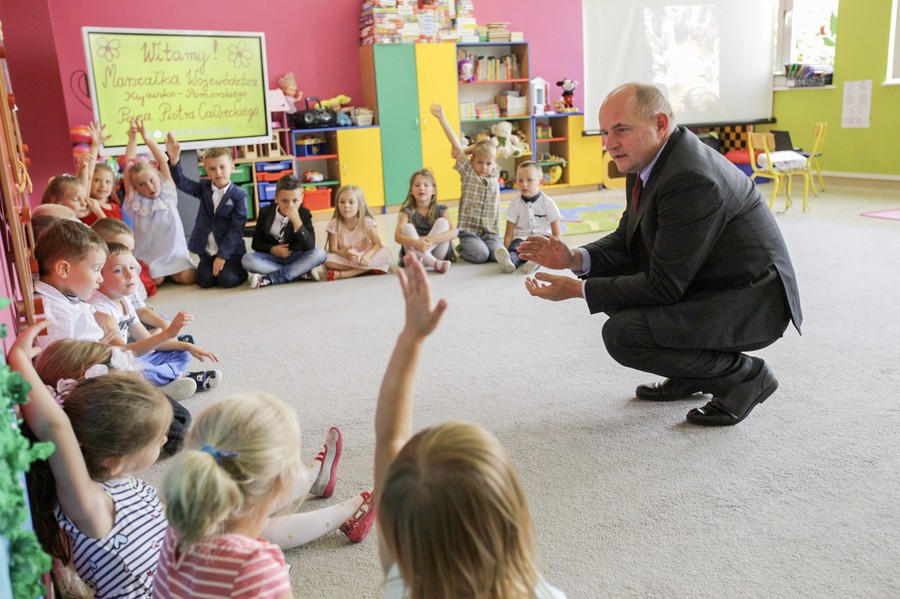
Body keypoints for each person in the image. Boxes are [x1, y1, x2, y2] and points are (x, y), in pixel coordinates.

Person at [519, 82, 802, 427]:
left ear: (661, 124)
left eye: (621, 130)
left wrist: (577, 290)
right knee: (605, 277)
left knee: (623, 335)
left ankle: (743, 376)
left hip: (750, 302)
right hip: (708, 280)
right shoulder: (646, 160)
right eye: (606, 132)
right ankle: (693, 372)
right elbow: (629, 239)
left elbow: (663, 287)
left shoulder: (691, 178)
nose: (609, 144)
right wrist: (574, 259)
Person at [375, 254, 566, 599]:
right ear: (512, 519)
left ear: (396, 532)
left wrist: (411, 337)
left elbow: (390, 438)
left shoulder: (402, 584)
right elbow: (391, 440)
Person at [153, 395, 375, 598]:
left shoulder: (175, 529)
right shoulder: (255, 567)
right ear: (281, 485)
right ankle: (323, 487)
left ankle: (315, 478)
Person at [11, 322, 172, 598]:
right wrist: (18, 360)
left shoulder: (119, 481)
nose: (165, 441)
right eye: (157, 439)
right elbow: (56, 427)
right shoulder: (93, 507)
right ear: (114, 460)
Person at [33, 219, 197, 401]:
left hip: (114, 364)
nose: (100, 279)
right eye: (97, 270)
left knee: (180, 356)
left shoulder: (68, 296)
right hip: (101, 387)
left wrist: (98, 315)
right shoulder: (54, 317)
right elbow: (65, 375)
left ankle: (159, 386)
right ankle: (160, 387)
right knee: (175, 418)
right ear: (64, 269)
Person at [89, 242, 222, 394]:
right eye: (118, 270)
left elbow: (146, 340)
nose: (130, 274)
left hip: (133, 358)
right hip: (114, 367)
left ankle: (161, 384)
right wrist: (167, 333)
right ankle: (178, 377)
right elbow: (125, 352)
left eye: (132, 267)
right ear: (99, 276)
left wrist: (187, 347)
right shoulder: (100, 308)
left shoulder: (124, 300)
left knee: (182, 354)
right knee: (138, 373)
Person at [34, 336, 192, 459]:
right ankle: (154, 393)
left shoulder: (91, 387)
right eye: (122, 375)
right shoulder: (96, 415)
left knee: (183, 417)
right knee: (178, 436)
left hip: (123, 399)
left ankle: (157, 391)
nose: (133, 373)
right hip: (125, 409)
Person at [122, 117, 197, 285]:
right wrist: (133, 139)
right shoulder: (136, 201)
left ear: (158, 177)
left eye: (151, 180)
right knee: (155, 280)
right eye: (142, 184)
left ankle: (177, 271)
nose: (150, 187)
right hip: (151, 255)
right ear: (136, 188)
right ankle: (161, 273)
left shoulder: (167, 192)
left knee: (187, 278)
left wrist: (147, 138)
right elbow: (128, 165)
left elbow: (163, 160)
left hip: (175, 253)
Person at [167, 135, 248, 289]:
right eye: (212, 169)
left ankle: (239, 270)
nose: (218, 172)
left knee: (227, 280)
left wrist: (223, 255)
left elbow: (237, 229)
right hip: (208, 251)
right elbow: (182, 182)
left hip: (230, 252)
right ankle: (211, 265)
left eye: (222, 167)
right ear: (206, 171)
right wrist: (174, 160)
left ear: (232, 167)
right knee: (204, 281)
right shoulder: (204, 188)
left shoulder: (239, 195)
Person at [429, 103, 504, 266]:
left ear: (493, 163)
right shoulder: (468, 171)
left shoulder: (494, 172)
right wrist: (442, 118)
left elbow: (490, 145)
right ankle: (462, 248)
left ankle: (499, 252)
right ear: (472, 160)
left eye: (488, 163)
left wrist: (477, 151)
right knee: (481, 255)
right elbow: (456, 144)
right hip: (470, 232)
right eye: (479, 162)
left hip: (491, 233)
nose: (484, 167)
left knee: (496, 254)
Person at [242, 174, 326, 288]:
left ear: (302, 198)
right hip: (273, 259)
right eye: (285, 201)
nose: (290, 205)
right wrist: (272, 249)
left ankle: (273, 278)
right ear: (276, 198)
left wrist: (297, 223)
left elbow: (310, 246)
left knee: (320, 254)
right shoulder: (265, 212)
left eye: (295, 200)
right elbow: (256, 244)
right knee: (247, 260)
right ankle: (299, 272)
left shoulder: (304, 213)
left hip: (297, 256)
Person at [315, 184, 392, 281]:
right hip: (346, 258)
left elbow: (377, 244)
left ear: (359, 205)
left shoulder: (367, 222)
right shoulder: (334, 224)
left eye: (351, 202)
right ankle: (369, 268)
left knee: (386, 254)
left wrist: (367, 256)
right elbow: (332, 249)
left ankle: (346, 274)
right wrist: (344, 254)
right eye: (342, 202)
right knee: (327, 259)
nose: (346, 206)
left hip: (364, 255)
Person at [498, 161, 561, 275]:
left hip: (542, 238)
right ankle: (510, 262)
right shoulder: (515, 204)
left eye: (529, 180)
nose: (524, 184)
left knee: (540, 249)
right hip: (521, 239)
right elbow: (509, 233)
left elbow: (556, 234)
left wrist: (554, 249)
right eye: (520, 180)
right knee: (515, 249)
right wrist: (507, 248)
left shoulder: (548, 203)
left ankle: (533, 262)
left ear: (541, 182)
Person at [393, 168, 457, 273]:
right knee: (406, 227)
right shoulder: (407, 211)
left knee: (443, 222)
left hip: (437, 254)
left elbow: (454, 232)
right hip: (414, 255)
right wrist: (416, 242)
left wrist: (431, 239)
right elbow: (397, 237)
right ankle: (434, 263)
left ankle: (426, 258)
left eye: (426, 185)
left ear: (434, 191)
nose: (421, 188)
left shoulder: (441, 210)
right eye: (417, 185)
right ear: (411, 191)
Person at [75, 120, 126, 225]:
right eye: (97, 180)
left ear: (113, 186)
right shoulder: (86, 202)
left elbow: (115, 233)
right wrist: (95, 146)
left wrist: (98, 211)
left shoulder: (116, 207)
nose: (103, 185)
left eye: (108, 182)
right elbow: (88, 175)